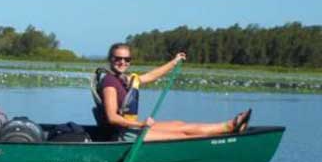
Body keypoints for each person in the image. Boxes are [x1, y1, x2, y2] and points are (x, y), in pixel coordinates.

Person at [93, 43, 251, 141]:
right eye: (118, 58)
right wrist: (141, 124)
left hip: (132, 129)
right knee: (181, 136)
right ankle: (225, 133)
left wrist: (174, 62)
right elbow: (112, 118)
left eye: (127, 59)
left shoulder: (125, 79)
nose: (123, 62)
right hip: (124, 136)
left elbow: (152, 75)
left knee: (179, 124)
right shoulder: (109, 83)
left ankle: (229, 126)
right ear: (110, 59)